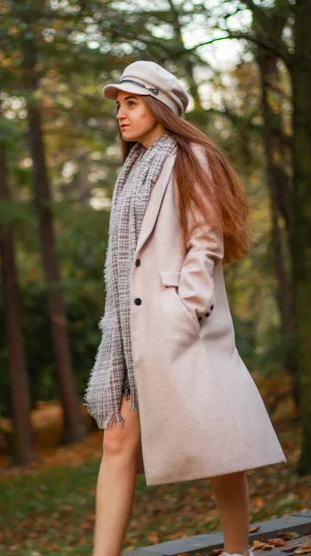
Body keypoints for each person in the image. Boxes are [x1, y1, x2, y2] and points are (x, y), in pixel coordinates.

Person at [83, 61, 286, 556]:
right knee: (116, 443)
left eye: (132, 103)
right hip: (132, 332)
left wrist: (185, 309)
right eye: (119, 105)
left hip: (177, 328)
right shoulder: (132, 169)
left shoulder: (189, 156)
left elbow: (206, 241)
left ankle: (238, 551)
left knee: (222, 450)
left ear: (159, 106)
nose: (121, 115)